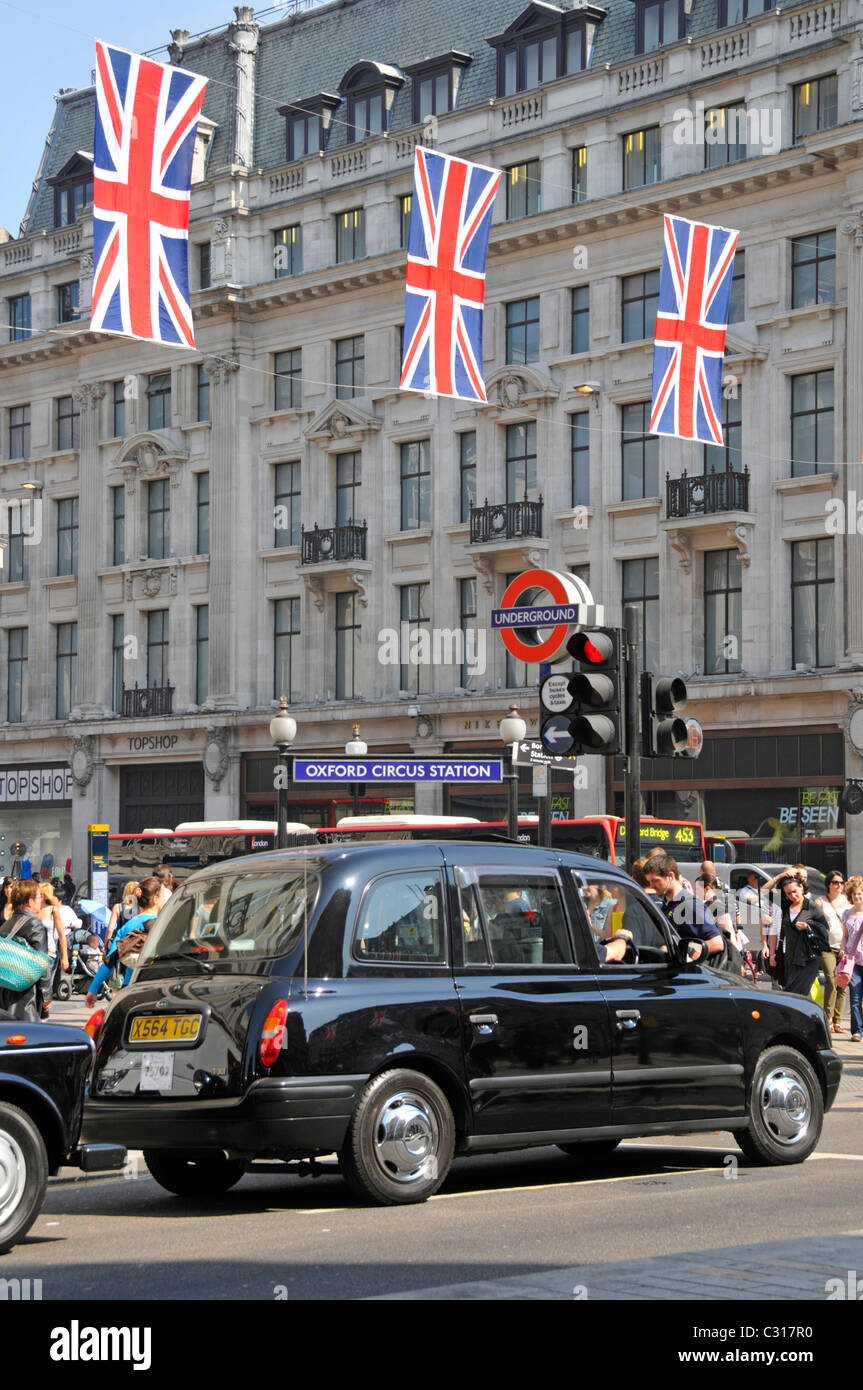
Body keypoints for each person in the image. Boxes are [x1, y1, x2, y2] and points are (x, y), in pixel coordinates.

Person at [85, 877, 168, 1006]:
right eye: (163, 896)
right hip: (155, 990)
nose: (164, 900)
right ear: (155, 899)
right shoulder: (163, 925)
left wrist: (93, 989)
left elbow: (110, 961)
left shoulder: (127, 926)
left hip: (129, 989)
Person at [644, 854, 725, 962]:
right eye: (649, 881)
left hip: (692, 974)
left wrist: (681, 951)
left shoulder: (691, 905)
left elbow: (717, 943)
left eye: (655, 880)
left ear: (670, 876)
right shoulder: (667, 904)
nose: (651, 886)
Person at [773, 873, 830, 997]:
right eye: (788, 893)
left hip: (807, 959)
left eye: (795, 891)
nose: (793, 896)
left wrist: (808, 927)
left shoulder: (812, 907)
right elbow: (766, 892)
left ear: (802, 888)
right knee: (789, 994)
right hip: (788, 958)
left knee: (797, 995)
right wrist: (780, 876)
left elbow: (825, 930)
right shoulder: (786, 905)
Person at [0, 879, 49, 1022]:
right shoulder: (34, 924)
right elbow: (41, 962)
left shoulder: (8, 923)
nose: (41, 900)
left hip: (5, 987)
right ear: (29, 901)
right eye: (39, 897)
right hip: (25, 994)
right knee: (27, 1035)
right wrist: (46, 995)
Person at [816, 872, 849, 1034]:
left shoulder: (849, 901)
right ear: (829, 883)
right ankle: (827, 1019)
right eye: (835, 882)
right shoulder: (821, 902)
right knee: (830, 979)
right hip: (827, 946)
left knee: (843, 983)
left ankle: (838, 1021)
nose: (839, 885)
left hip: (846, 947)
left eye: (841, 883)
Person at [37, 882, 71, 1014]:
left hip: (50, 953)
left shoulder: (53, 910)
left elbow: (62, 935)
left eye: (40, 892)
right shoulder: (34, 908)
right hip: (34, 953)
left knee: (46, 987)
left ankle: (43, 1014)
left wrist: (65, 958)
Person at [840, 877, 863, 1042]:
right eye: (854, 894)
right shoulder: (846, 913)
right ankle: (857, 1031)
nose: (857, 897)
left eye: (860, 894)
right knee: (855, 998)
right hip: (852, 961)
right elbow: (845, 936)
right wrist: (842, 949)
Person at [106, 880, 141, 945]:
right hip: (138, 943)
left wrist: (106, 944)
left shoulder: (118, 907)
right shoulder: (143, 908)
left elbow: (110, 929)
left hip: (121, 944)